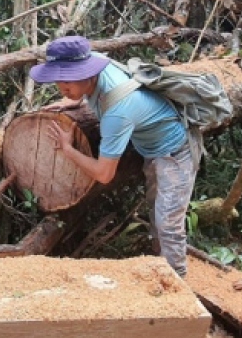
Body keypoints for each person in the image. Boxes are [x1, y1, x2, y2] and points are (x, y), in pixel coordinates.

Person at [29, 35, 199, 277]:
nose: (62, 87)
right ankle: (161, 269)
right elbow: (82, 93)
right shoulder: (95, 62)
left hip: (175, 150)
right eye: (58, 79)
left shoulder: (117, 111)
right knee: (157, 212)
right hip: (151, 147)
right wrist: (67, 103)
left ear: (87, 73)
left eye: (68, 79)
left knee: (168, 223)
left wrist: (68, 149)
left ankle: (178, 287)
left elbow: (104, 173)